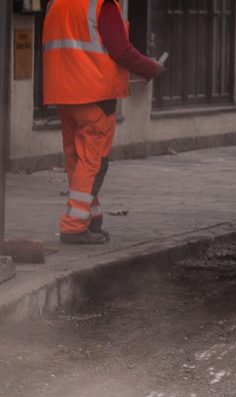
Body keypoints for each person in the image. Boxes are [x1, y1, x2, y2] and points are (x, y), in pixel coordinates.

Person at [42, 0, 165, 245]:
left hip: (63, 91)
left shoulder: (56, 3)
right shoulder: (102, 5)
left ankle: (90, 218)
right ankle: (74, 226)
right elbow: (121, 50)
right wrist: (152, 68)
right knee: (93, 162)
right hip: (95, 93)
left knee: (77, 160)